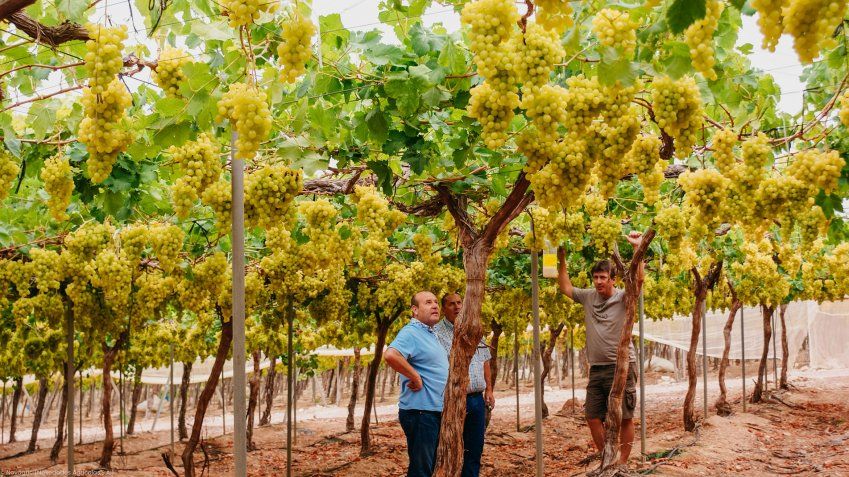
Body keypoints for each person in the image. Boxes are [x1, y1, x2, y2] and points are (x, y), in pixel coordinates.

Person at [556, 231, 644, 465]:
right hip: (596, 368)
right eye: (595, 277)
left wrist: (638, 248)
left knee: (625, 417)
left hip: (623, 366)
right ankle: (608, 456)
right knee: (593, 416)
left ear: (613, 279)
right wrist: (561, 258)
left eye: (603, 277)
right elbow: (565, 287)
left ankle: (622, 463)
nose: (598, 282)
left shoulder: (625, 297)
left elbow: (638, 280)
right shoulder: (587, 297)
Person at [383, 291, 448, 477]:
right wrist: (415, 377)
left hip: (431, 411)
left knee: (429, 467)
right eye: (428, 303)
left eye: (436, 302)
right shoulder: (411, 332)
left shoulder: (430, 333)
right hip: (421, 413)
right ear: (415, 310)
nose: (435, 305)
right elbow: (390, 354)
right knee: (421, 470)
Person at [433, 293, 494, 477]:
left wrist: (489, 389)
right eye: (451, 304)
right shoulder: (436, 333)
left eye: (459, 303)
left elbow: (485, 361)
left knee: (474, 448)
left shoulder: (473, 329)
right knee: (448, 448)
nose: (457, 307)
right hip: (451, 399)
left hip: (476, 400)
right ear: (444, 309)